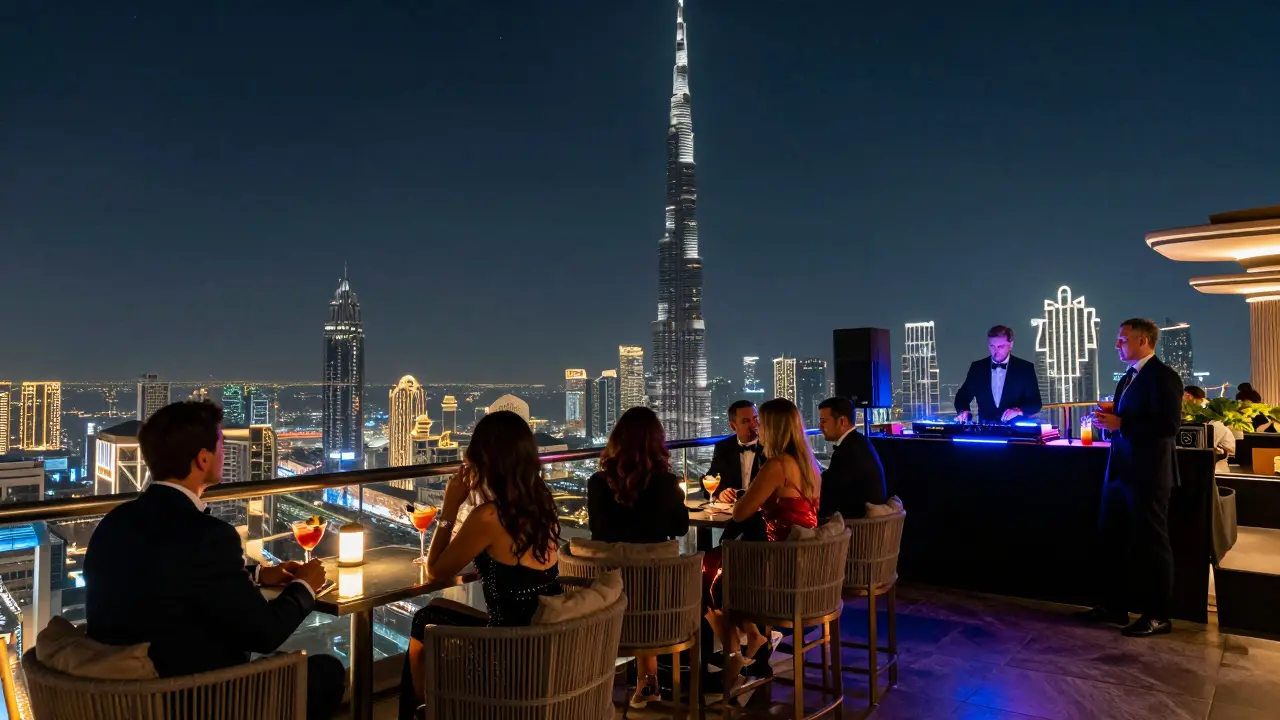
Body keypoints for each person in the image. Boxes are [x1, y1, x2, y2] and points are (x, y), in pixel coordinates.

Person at [84, 401, 344, 720]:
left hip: (123, 703)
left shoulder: (115, 522)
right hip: (199, 701)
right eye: (221, 444)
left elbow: (165, 570)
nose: (225, 453)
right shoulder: (208, 535)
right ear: (203, 458)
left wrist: (259, 573)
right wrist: (305, 585)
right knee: (327, 672)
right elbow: (265, 633)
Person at [399, 411, 563, 720]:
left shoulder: (489, 517)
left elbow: (436, 569)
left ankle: (424, 710)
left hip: (505, 653)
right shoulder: (543, 502)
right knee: (435, 606)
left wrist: (449, 506)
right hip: (542, 644)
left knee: (423, 619)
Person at [1077, 318, 1183, 638]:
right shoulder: (1128, 377)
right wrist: (1111, 418)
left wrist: (1120, 423)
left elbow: (1167, 426)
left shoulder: (1164, 377)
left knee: (1153, 544)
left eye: (1122, 339)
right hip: (1120, 472)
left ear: (1143, 341)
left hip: (1148, 474)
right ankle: (1114, 606)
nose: (1117, 344)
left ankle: (1159, 615)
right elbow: (1129, 417)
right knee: (1112, 539)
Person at [704, 398, 820, 685]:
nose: (758, 428)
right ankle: (753, 637)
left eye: (762, 423)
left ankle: (732, 654)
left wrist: (749, 496)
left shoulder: (777, 465)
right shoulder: (809, 465)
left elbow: (742, 513)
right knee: (721, 562)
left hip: (778, 569)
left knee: (705, 569)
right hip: (802, 562)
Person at [586, 406, 689, 707]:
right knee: (649, 583)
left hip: (608, 602)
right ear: (657, 441)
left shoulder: (597, 483)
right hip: (661, 608)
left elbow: (598, 531)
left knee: (630, 579)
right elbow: (680, 527)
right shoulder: (665, 484)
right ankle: (649, 679)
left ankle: (605, 687)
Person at [816, 396, 888, 519]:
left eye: (824, 421)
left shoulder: (847, 450)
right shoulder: (859, 442)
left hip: (857, 527)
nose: (820, 426)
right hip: (867, 523)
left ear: (842, 421)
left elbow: (828, 491)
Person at [955, 325, 1043, 423]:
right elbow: (962, 396)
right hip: (986, 431)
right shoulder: (977, 368)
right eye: (992, 346)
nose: (996, 351)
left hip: (1017, 431)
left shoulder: (1025, 368)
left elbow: (1036, 403)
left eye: (1000, 346)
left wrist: (1018, 411)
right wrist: (963, 411)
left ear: (1011, 345)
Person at [703, 400, 763, 500]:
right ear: (733, 426)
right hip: (733, 510)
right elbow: (710, 479)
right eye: (746, 421)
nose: (754, 425)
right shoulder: (723, 447)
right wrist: (721, 492)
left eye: (755, 419)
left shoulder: (769, 446)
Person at [1183, 385, 1235, 469]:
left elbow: (1206, 447)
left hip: (1216, 470)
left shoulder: (1215, 425)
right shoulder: (1201, 422)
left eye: (1185, 395)